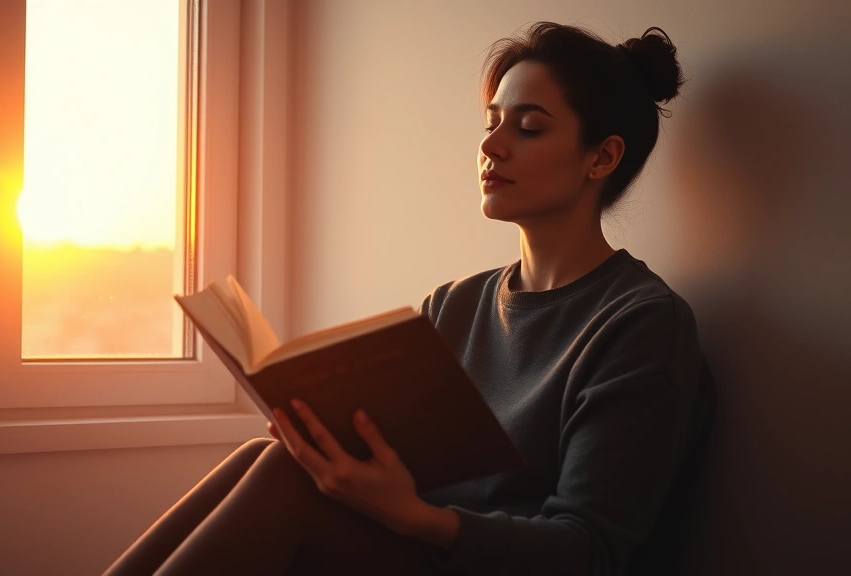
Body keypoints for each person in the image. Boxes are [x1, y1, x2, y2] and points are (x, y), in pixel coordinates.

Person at [103, 21, 707, 576]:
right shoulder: (454, 305)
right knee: (269, 458)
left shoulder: (641, 323)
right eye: (490, 122)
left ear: (601, 156)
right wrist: (327, 443)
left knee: (279, 483)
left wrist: (416, 518)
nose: (492, 146)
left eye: (528, 127)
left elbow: (588, 549)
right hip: (405, 550)